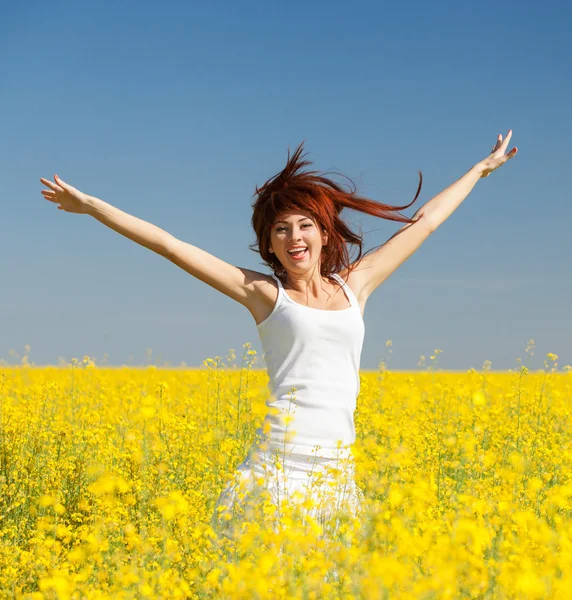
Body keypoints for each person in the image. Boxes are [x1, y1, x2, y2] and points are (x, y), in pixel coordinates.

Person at [40, 133, 518, 543]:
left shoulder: (357, 286)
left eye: (305, 225)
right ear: (268, 244)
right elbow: (170, 245)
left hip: (337, 475)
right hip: (277, 473)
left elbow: (426, 222)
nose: (295, 238)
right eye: (281, 230)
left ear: (325, 233)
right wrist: (91, 207)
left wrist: (479, 170)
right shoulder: (264, 294)